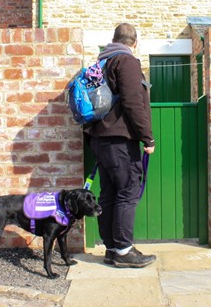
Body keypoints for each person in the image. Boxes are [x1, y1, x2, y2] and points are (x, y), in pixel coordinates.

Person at [85, 23, 156, 268]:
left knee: (109, 194)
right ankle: (124, 251)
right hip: (120, 141)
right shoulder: (126, 62)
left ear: (113, 39)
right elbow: (133, 102)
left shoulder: (100, 64)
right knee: (127, 192)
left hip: (100, 140)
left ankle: (112, 248)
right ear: (134, 43)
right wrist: (147, 137)